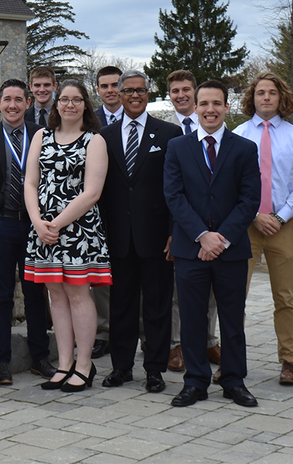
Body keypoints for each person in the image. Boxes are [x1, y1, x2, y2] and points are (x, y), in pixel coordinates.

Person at [163, 80, 261, 408]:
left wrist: (221, 238)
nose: (210, 109)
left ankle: (234, 380)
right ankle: (195, 382)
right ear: (195, 106)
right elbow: (173, 196)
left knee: (232, 318)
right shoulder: (178, 147)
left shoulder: (244, 149)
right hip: (191, 248)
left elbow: (249, 200)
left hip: (231, 249)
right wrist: (201, 236)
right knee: (192, 318)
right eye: (203, 103)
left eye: (216, 103)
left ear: (226, 107)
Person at [24, 79, 110, 392]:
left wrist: (56, 223)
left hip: (77, 230)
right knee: (55, 296)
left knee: (77, 294)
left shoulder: (94, 141)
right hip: (43, 229)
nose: (69, 105)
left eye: (76, 99)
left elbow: (93, 192)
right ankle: (63, 364)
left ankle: (84, 365)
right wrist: (37, 221)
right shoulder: (41, 135)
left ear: (86, 105)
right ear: (57, 104)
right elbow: (30, 182)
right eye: (64, 99)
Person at [0, 79, 55, 385]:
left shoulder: (43, 135)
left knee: (35, 292)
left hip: (35, 223)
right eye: (7, 100)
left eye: (19, 99)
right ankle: (1, 361)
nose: (13, 105)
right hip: (0, 224)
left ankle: (40, 357)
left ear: (28, 103)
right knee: (1, 295)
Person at [99, 71, 181, 393]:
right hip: (118, 236)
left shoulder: (169, 134)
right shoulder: (104, 137)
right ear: (118, 95)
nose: (135, 95)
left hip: (157, 236)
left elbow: (176, 189)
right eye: (128, 91)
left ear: (148, 94)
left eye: (141, 91)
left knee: (157, 306)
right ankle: (121, 367)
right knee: (121, 305)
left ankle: (155, 369)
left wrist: (175, 232)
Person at [232, 72, 293, 386]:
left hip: (283, 226)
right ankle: (233, 362)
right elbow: (230, 184)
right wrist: (253, 215)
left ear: (281, 98)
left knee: (284, 297)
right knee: (236, 297)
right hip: (244, 227)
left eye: (272, 93)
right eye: (260, 92)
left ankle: (288, 361)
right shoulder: (237, 135)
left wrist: (279, 216)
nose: (266, 98)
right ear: (252, 98)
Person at [164, 69, 220, 373]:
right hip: (179, 224)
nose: (181, 95)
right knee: (177, 291)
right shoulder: (163, 131)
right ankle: (176, 345)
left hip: (213, 226)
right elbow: (169, 190)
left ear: (196, 95)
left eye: (186, 89)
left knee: (211, 291)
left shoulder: (215, 128)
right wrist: (174, 230)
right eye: (175, 91)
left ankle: (209, 339)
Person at [91, 66, 122, 360]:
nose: (110, 90)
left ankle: (136, 332)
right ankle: (103, 333)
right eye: (105, 86)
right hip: (96, 210)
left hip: (129, 210)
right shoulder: (91, 122)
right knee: (99, 279)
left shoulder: (136, 120)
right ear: (98, 89)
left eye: (115, 85)